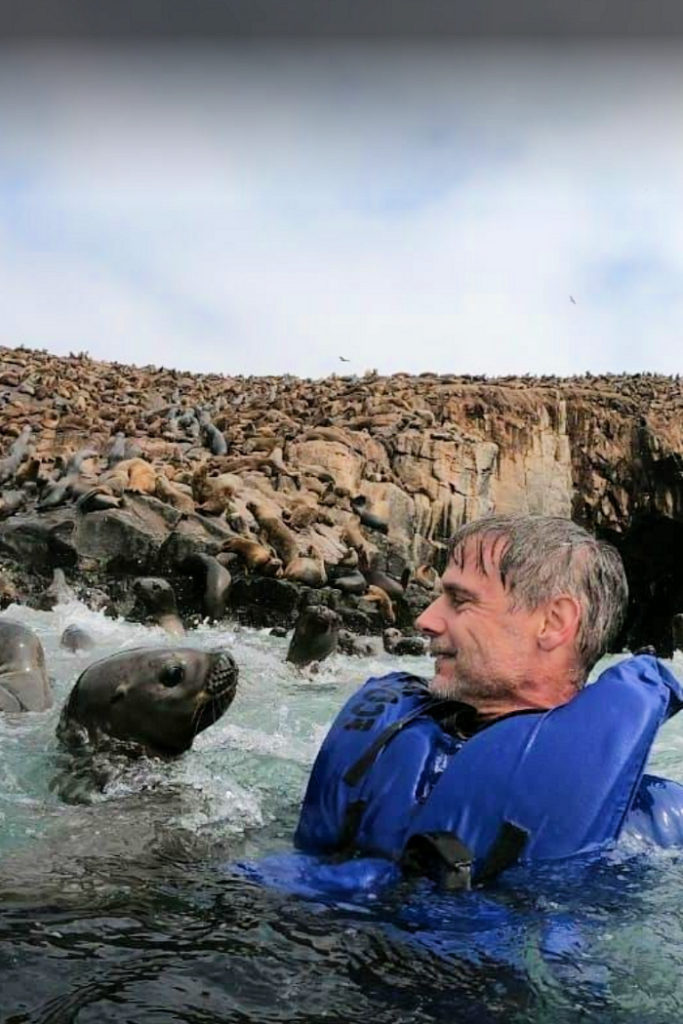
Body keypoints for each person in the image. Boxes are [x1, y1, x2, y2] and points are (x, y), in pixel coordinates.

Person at [292, 514, 683, 892]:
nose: (425, 620)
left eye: (459, 601)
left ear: (553, 623)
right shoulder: (389, 745)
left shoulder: (653, 823)